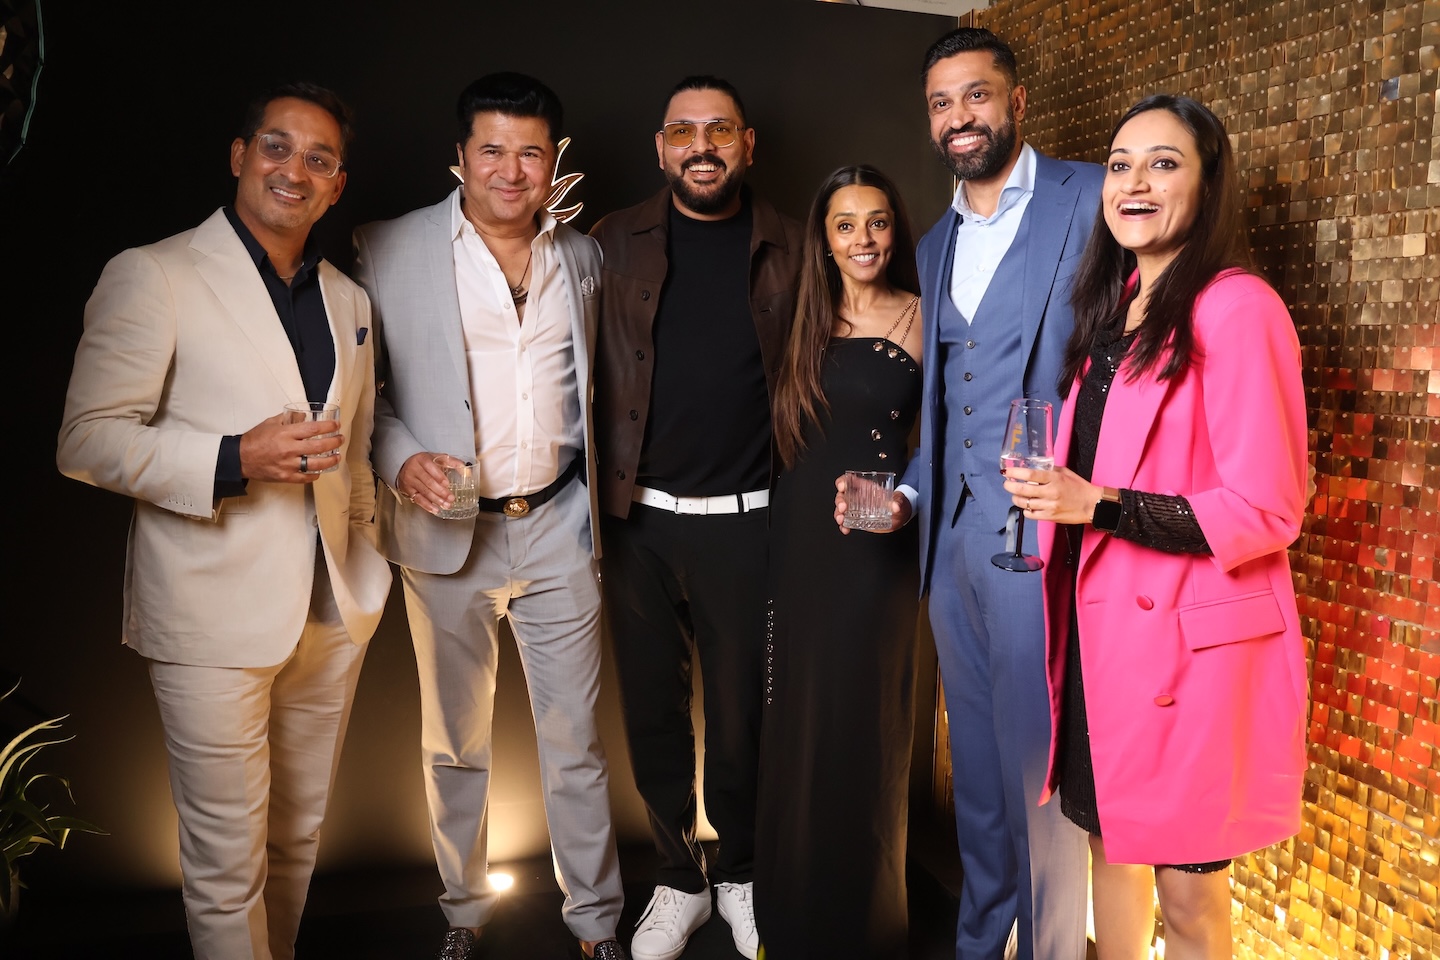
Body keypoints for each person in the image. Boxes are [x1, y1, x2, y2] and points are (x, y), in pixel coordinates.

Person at [56, 83, 392, 960]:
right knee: (225, 862)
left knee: (296, 838)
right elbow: (86, 440)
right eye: (277, 147)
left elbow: (356, 451)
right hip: (208, 609)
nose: (294, 170)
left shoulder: (349, 300)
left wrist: (365, 551)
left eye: (318, 159)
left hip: (331, 608)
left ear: (337, 186)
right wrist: (236, 456)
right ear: (240, 156)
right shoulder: (154, 273)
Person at [1004, 94, 1307, 960]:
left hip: (1187, 654)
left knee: (1187, 897)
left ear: (1208, 186)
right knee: (1112, 851)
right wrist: (1051, 486)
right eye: (1120, 164)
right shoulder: (1119, 305)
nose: (1134, 182)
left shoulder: (1237, 308)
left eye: (1164, 163)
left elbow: (1268, 507)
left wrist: (1096, 505)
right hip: (1105, 642)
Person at [838, 26, 1100, 960]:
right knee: (980, 778)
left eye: (977, 95)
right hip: (951, 548)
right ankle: (981, 943)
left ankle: (1054, 949)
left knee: (1039, 778)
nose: (960, 117)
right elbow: (942, 412)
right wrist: (906, 498)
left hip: (1041, 540)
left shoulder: (1091, 197)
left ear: (1016, 101)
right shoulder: (933, 242)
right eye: (943, 103)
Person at [352, 73, 625, 960]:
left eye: (531, 152)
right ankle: (463, 913)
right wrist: (400, 459)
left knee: (576, 740)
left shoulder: (584, 258)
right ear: (461, 156)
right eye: (493, 150)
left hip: (559, 524)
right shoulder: (386, 247)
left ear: (554, 161)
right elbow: (361, 395)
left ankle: (596, 923)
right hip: (445, 530)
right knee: (454, 743)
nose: (512, 170)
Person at [589, 75, 802, 960]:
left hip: (748, 521)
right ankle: (679, 880)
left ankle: (741, 873)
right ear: (661, 147)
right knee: (652, 715)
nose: (701, 146)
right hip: (638, 523)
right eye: (684, 131)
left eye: (719, 130)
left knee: (745, 719)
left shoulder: (794, 245)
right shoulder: (610, 241)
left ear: (748, 144)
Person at [754, 165, 923, 959]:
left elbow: (940, 441)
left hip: (876, 546)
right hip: (799, 543)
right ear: (822, 239)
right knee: (799, 720)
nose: (864, 239)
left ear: (896, 230)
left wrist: (903, 502)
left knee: (866, 724)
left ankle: (865, 926)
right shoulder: (798, 319)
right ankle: (793, 922)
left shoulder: (923, 313)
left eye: (878, 221)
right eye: (845, 224)